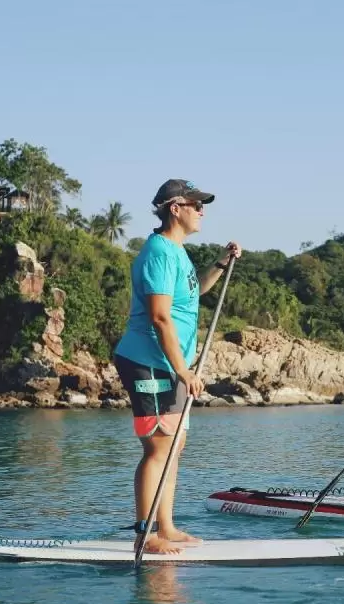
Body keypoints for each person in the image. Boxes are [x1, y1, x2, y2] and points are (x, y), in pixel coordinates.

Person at [113, 178, 241, 554]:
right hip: (148, 362)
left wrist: (219, 263)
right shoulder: (158, 253)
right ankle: (145, 533)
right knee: (157, 448)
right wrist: (183, 370)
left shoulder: (177, 252)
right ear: (175, 208)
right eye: (196, 204)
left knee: (174, 446)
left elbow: (193, 291)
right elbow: (159, 317)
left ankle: (165, 526)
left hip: (168, 364)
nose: (202, 211)